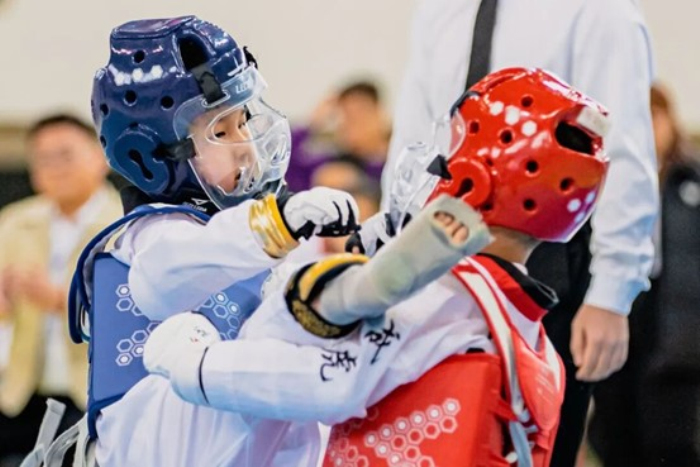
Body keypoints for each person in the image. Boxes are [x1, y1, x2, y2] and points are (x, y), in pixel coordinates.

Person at [143, 68, 610, 467]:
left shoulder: (442, 298)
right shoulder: (535, 339)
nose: (435, 164)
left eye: (451, 149)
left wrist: (195, 364)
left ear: (472, 180)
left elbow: (326, 383)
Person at [58, 15, 360, 467]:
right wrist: (275, 225)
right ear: (148, 156)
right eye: (220, 132)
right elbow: (164, 280)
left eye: (244, 122)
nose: (245, 145)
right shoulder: (150, 236)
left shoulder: (242, 239)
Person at [381, 1, 658, 465]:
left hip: (546, 256)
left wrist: (613, 293)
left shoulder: (597, 10)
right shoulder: (441, 10)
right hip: (436, 250)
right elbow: (414, 137)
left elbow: (622, 150)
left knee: (533, 444)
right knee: (437, 438)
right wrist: (392, 246)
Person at [0, 114, 122, 466]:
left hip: (92, 394)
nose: (54, 168)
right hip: (20, 391)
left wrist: (57, 300)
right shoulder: (14, 221)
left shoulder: (125, 223)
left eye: (65, 155)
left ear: (100, 157)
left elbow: (129, 311)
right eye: (43, 159)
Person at [589, 85, 700, 467]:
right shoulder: (604, 180)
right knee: (616, 428)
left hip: (676, 318)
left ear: (669, 119)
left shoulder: (691, 180)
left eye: (652, 117)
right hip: (623, 302)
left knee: (670, 438)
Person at [286, 81, 391, 192]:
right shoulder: (335, 164)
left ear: (379, 112)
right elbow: (284, 168)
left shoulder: (397, 158)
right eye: (346, 116)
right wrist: (312, 124)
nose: (351, 124)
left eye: (360, 114)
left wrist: (360, 182)